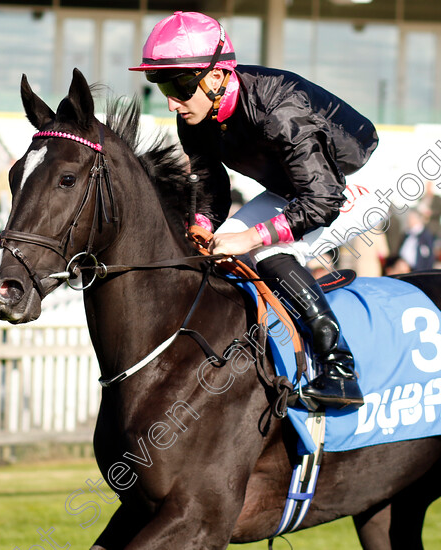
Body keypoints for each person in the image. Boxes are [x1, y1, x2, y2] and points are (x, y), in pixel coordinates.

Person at [129, 12, 379, 408]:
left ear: (216, 76)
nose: (172, 101)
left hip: (351, 184)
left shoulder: (279, 108)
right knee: (212, 254)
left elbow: (324, 198)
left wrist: (249, 236)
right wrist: (201, 223)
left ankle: (340, 369)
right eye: (161, 86)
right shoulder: (195, 117)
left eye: (179, 85)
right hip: (295, 189)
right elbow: (212, 184)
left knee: (264, 249)